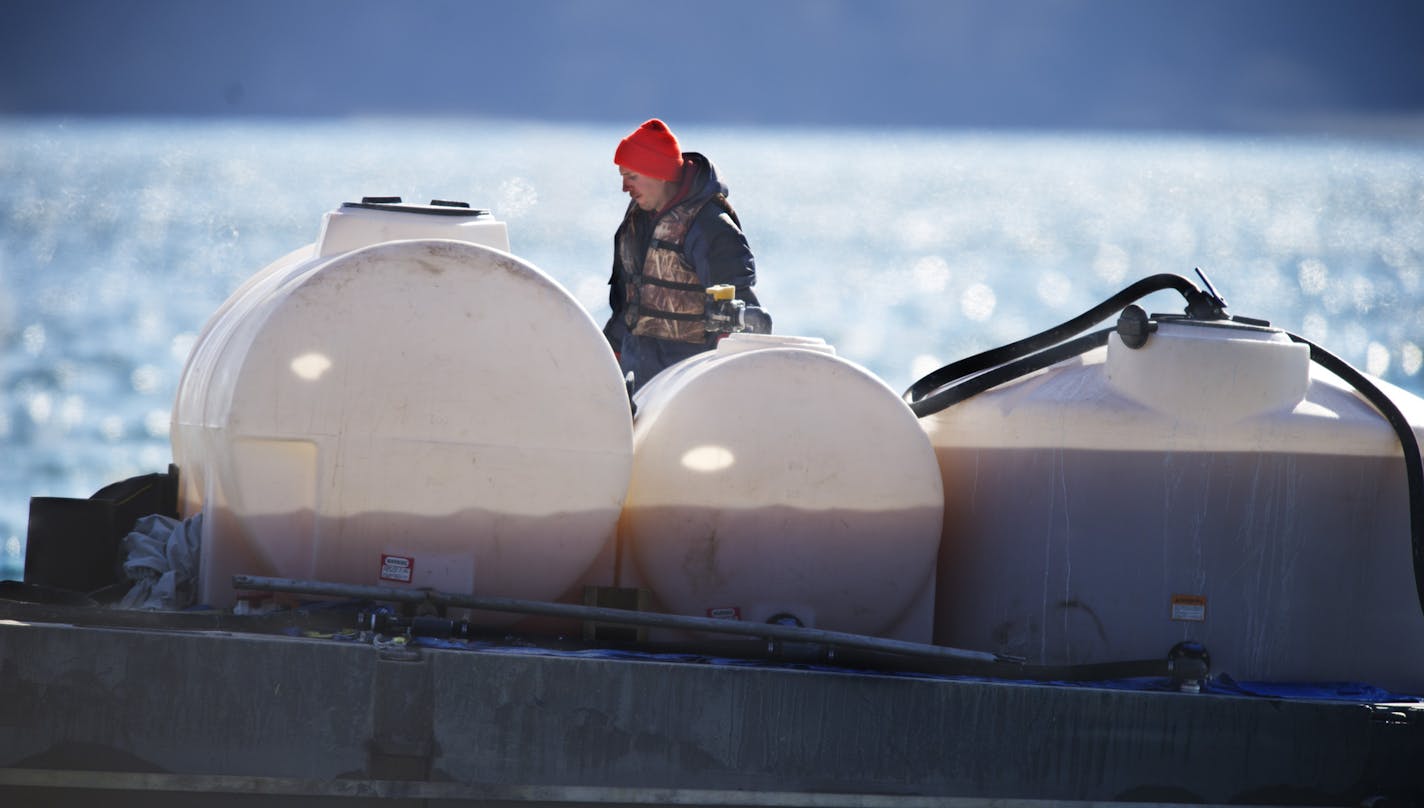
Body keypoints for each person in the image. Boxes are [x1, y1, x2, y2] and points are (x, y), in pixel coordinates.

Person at [603, 118, 765, 392]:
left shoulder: (710, 227)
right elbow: (626, 306)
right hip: (636, 378)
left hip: (690, 385)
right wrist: (607, 360)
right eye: (622, 177)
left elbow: (741, 314)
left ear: (658, 173)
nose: (625, 188)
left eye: (632, 176)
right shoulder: (636, 220)